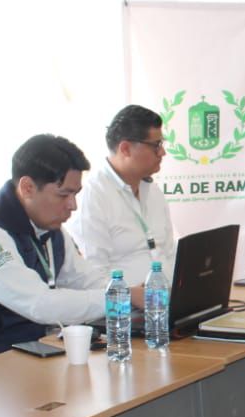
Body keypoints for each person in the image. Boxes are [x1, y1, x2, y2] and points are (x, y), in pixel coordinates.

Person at [0, 134, 143, 360]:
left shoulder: (48, 225)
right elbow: (39, 304)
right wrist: (121, 297)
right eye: (63, 195)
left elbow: (83, 278)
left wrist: (131, 292)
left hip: (39, 350)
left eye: (75, 194)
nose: (73, 205)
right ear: (27, 187)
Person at [68, 105, 176, 284]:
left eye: (162, 144)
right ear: (125, 149)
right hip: (126, 300)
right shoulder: (93, 195)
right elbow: (94, 276)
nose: (162, 152)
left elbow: (169, 253)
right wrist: (135, 296)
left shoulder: (153, 190)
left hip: (168, 295)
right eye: (156, 145)